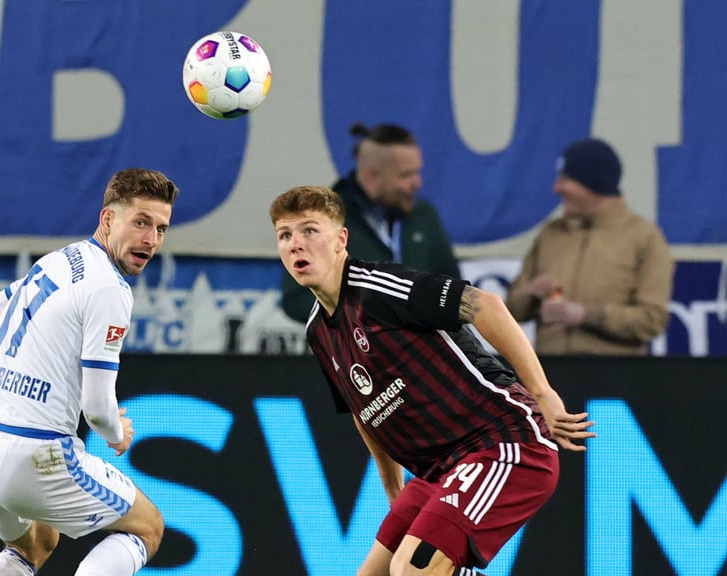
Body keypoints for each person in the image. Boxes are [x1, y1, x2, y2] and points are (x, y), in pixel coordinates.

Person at [269, 185, 595, 575]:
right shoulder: (318, 331)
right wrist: (393, 490)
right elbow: (364, 409)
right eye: (285, 235)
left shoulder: (378, 288)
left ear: (341, 240)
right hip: (438, 472)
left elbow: (485, 304)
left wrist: (543, 393)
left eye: (309, 230)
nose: (296, 245)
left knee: (412, 569)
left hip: (503, 443)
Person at [0, 168, 178, 576]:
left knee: (36, 544)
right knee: (148, 527)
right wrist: (118, 435)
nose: (151, 240)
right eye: (141, 222)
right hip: (34, 459)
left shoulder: (60, 260)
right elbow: (98, 408)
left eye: (161, 228)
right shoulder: (110, 290)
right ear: (107, 220)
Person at [505, 138, 674, 355]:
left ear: (593, 184)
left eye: (566, 180)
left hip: (614, 376)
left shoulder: (644, 238)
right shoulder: (550, 234)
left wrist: (584, 315)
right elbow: (510, 311)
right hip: (550, 376)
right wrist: (531, 293)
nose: (557, 188)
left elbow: (652, 320)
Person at [280, 123, 461, 324]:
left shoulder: (424, 216)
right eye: (405, 175)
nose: (417, 183)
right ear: (371, 176)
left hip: (417, 353)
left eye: (417, 172)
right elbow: (296, 300)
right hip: (353, 352)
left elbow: (452, 288)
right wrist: (364, 316)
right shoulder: (321, 221)